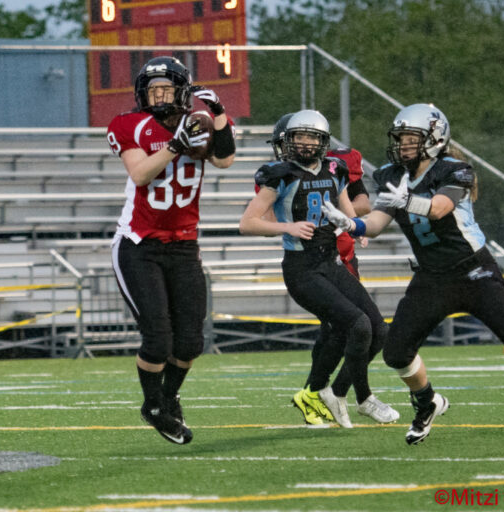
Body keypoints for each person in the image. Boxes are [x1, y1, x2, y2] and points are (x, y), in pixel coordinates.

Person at [321, 103, 504, 445]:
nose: (402, 145)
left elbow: (439, 209)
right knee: (396, 352)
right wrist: (351, 223)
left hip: (473, 270)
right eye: (400, 138)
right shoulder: (391, 174)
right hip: (432, 276)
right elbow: (375, 224)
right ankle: (427, 401)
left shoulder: (456, 170)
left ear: (433, 139)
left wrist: (409, 202)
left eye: (410, 138)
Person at [106, 56, 236, 444]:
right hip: (139, 244)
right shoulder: (129, 124)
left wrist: (219, 115)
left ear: (182, 91)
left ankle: (169, 396)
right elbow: (141, 173)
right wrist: (176, 145)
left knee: (191, 342)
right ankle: (154, 406)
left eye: (166, 89)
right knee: (158, 340)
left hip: (183, 245)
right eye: (152, 90)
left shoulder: (196, 122)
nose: (158, 96)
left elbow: (225, 160)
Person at [240, 110, 390, 429]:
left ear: (323, 142)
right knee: (358, 325)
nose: (305, 144)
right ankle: (356, 398)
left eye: (311, 137)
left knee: (379, 329)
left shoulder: (336, 169)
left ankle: (332, 393)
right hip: (302, 269)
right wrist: (288, 227)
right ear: (287, 140)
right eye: (299, 137)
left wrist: (355, 230)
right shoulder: (279, 174)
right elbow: (247, 223)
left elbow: (347, 211)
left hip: (331, 261)